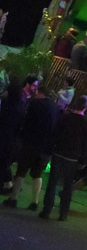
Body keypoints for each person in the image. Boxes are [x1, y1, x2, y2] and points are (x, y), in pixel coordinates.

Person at [3, 81, 57, 210]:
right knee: (37, 174)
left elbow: (27, 122)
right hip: (45, 147)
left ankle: (13, 198)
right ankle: (35, 201)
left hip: (31, 143)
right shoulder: (55, 108)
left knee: (21, 170)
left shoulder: (35, 104)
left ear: (40, 93)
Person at [39, 92, 87, 220]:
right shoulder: (86, 122)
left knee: (52, 182)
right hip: (72, 157)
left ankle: (47, 209)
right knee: (67, 186)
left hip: (59, 153)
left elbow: (54, 134)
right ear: (85, 107)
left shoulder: (65, 117)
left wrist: (49, 150)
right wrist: (83, 159)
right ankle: (63, 213)